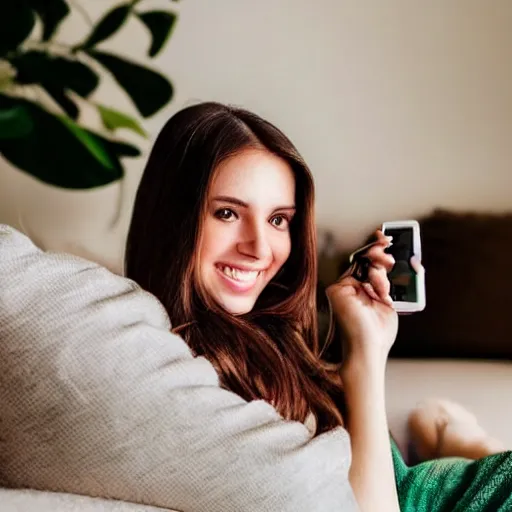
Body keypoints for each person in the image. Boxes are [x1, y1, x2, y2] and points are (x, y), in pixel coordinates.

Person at [125, 102, 512, 512]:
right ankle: (458, 443)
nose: (258, 248)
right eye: (227, 213)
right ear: (171, 219)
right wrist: (365, 353)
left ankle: (458, 444)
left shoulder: (269, 339)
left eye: (278, 220)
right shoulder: (166, 367)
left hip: (400, 483)